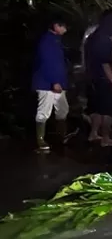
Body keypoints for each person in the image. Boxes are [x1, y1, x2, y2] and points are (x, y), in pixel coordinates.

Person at [84, 10, 112, 146]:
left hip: (92, 78)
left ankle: (93, 134)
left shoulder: (92, 38)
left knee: (97, 108)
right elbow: (105, 63)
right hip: (103, 79)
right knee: (107, 110)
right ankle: (106, 138)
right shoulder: (104, 40)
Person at [32, 17, 70, 151]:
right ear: (56, 26)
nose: (65, 30)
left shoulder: (55, 41)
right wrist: (55, 81)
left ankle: (61, 135)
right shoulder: (47, 41)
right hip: (46, 83)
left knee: (63, 109)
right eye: (63, 26)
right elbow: (48, 63)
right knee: (44, 111)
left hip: (57, 82)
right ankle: (40, 140)